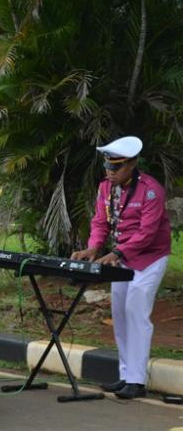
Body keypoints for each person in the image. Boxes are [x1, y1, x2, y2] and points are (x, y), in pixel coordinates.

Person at [72, 136, 172, 400]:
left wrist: (116, 252)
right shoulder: (106, 188)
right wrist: (93, 247)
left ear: (132, 164)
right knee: (120, 313)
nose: (110, 172)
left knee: (136, 312)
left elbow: (148, 233)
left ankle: (137, 382)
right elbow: (100, 223)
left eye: (116, 167)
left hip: (150, 258)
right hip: (123, 258)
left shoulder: (151, 190)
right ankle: (126, 375)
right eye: (108, 166)